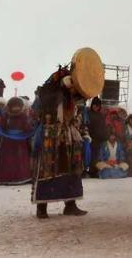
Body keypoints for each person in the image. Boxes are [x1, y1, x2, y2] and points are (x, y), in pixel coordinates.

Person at [31, 67, 88, 218]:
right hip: (51, 135)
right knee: (48, 170)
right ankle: (41, 208)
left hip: (69, 136)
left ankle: (70, 205)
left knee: (71, 170)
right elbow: (39, 106)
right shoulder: (48, 93)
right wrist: (60, 86)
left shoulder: (73, 96)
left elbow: (81, 104)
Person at [0, 97, 34, 185]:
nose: (16, 108)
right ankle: (11, 178)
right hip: (12, 140)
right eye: (14, 106)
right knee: (10, 160)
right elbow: (3, 126)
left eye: (17, 106)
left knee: (14, 160)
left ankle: (16, 178)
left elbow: (26, 127)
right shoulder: (9, 115)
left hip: (15, 140)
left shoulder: (17, 116)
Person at [87, 97, 107, 178]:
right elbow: (87, 125)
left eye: (97, 106)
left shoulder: (101, 115)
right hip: (91, 138)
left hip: (99, 138)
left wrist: (104, 136)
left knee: (97, 155)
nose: (96, 107)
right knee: (90, 155)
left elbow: (103, 127)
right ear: (92, 105)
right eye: (94, 105)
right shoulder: (88, 114)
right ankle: (91, 171)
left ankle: (95, 170)